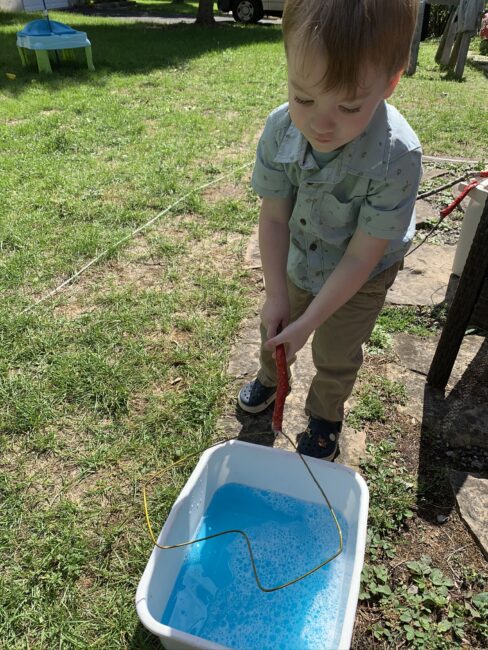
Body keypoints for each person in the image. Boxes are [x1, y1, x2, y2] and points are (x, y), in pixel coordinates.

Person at [238, 0, 423, 460]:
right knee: (277, 323)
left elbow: (361, 256)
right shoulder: (281, 129)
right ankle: (269, 377)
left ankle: (324, 414)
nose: (319, 123)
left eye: (348, 105)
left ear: (391, 82)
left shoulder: (397, 156)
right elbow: (275, 215)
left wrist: (311, 322)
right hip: (302, 252)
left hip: (363, 273)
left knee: (337, 351)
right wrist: (277, 294)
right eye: (303, 97)